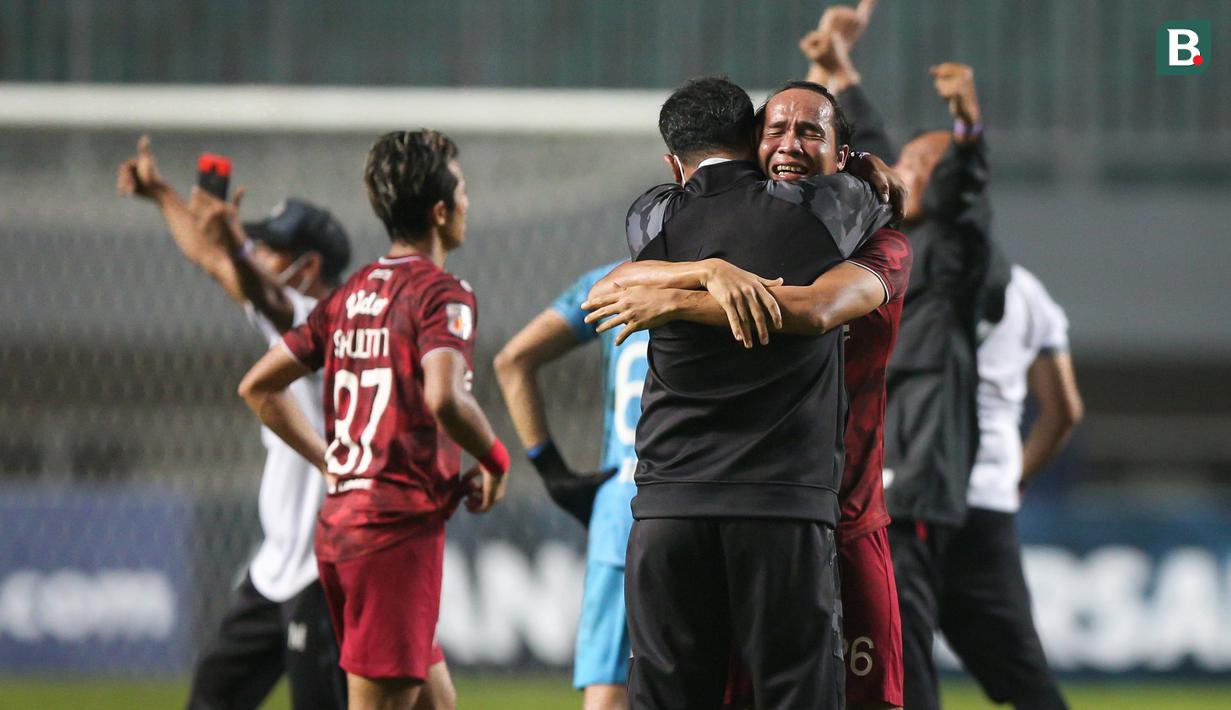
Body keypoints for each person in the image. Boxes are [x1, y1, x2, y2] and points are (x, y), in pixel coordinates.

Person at [585, 79, 912, 710]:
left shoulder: (874, 236)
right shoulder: (819, 217)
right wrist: (708, 273)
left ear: (842, 153)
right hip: (782, 510)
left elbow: (817, 308)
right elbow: (610, 288)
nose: (790, 143)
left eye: (810, 132)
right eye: (777, 130)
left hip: (842, 513)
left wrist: (682, 296)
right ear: (748, 145)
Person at [237, 130, 510, 710]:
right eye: (461, 190)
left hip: (341, 531)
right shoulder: (442, 294)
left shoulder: (350, 293)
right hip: (393, 534)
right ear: (440, 212)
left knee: (438, 703)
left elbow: (258, 385)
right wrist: (495, 458)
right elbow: (445, 399)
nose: (468, 202)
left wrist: (330, 459)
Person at [804, 5, 1012, 709]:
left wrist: (967, 127)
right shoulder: (889, 249)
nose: (906, 169)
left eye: (926, 164)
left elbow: (964, 190)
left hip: (915, 489)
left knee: (903, 644)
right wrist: (839, 71)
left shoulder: (955, 252)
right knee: (878, 643)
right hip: (871, 487)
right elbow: (882, 158)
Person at [117, 136, 350, 710]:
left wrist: (238, 243)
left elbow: (258, 286)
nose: (260, 254)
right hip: (274, 570)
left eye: (272, 247)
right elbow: (212, 258)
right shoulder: (288, 318)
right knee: (210, 700)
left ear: (308, 266)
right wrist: (163, 194)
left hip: (323, 573)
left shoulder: (326, 322)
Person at [493, 263, 646, 710]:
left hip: (619, 511)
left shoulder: (615, 278)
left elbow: (512, 361)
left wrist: (552, 470)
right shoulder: (727, 274)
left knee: (607, 695)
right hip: (703, 503)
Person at [939, 265, 1082, 710]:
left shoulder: (885, 270)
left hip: (896, 505)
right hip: (986, 505)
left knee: (893, 674)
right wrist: (1015, 477)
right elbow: (1064, 410)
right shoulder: (1023, 288)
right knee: (1027, 681)